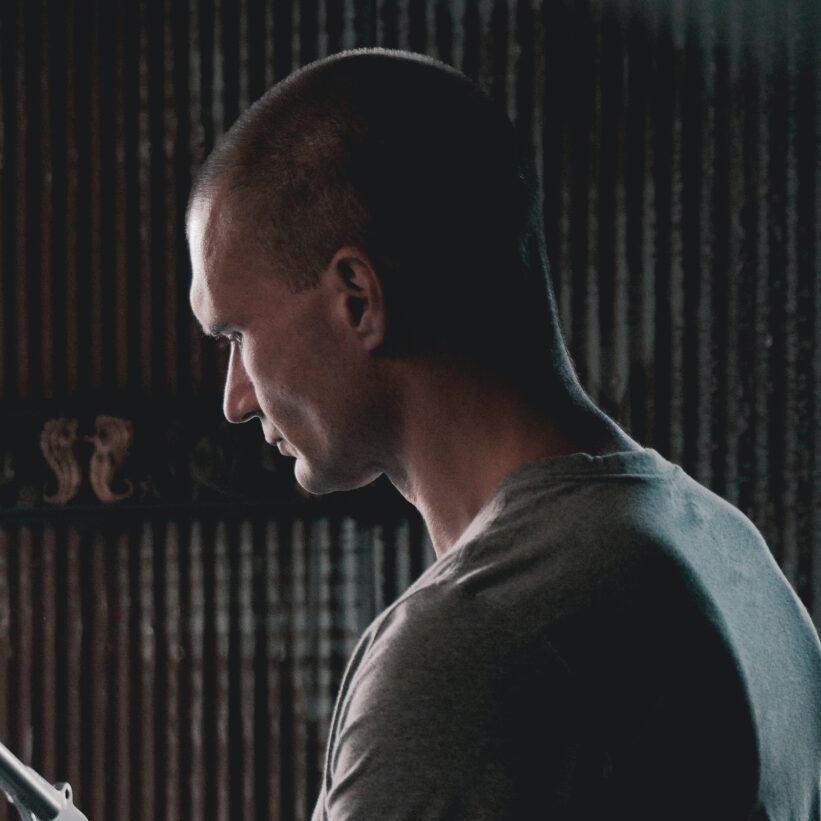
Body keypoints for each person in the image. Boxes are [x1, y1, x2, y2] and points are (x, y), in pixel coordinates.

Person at [187, 48, 821, 820]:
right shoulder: (733, 559)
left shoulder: (474, 643)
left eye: (236, 336)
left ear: (357, 297)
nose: (235, 399)